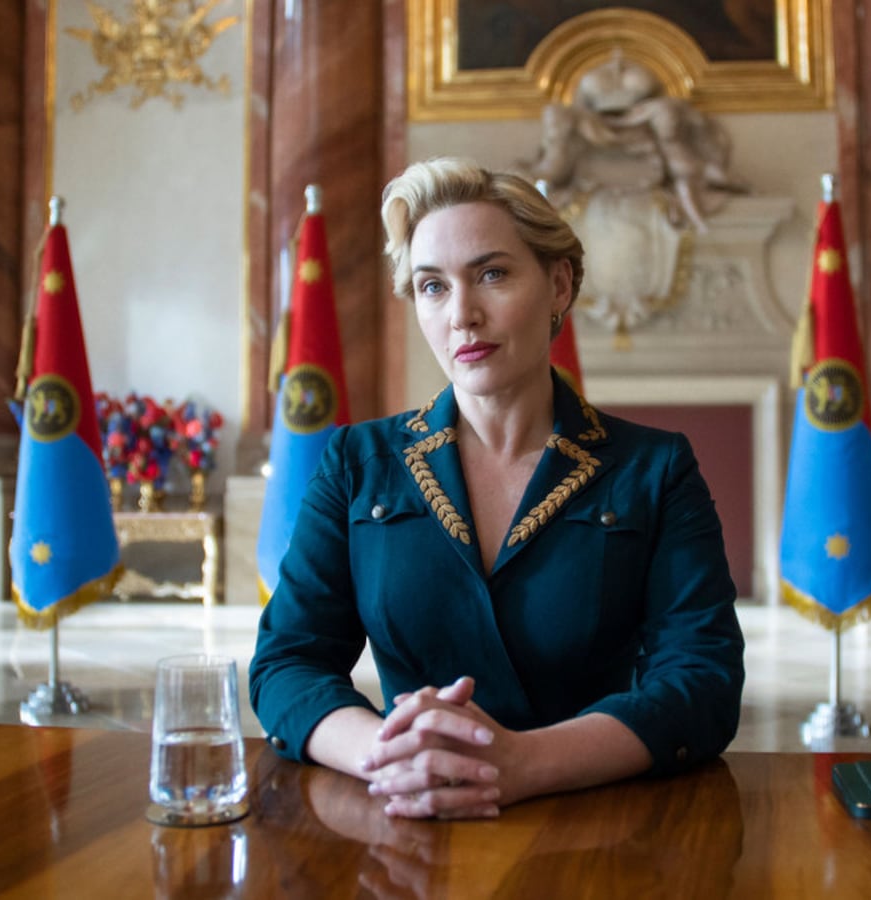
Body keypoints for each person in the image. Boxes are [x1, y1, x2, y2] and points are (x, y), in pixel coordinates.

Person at [249, 157, 744, 820]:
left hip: (596, 827)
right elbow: (287, 663)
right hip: (405, 817)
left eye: (492, 274)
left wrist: (525, 764)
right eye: (432, 286)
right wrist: (393, 755)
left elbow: (702, 683)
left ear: (559, 284)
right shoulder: (356, 463)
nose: (463, 314)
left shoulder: (654, 469)